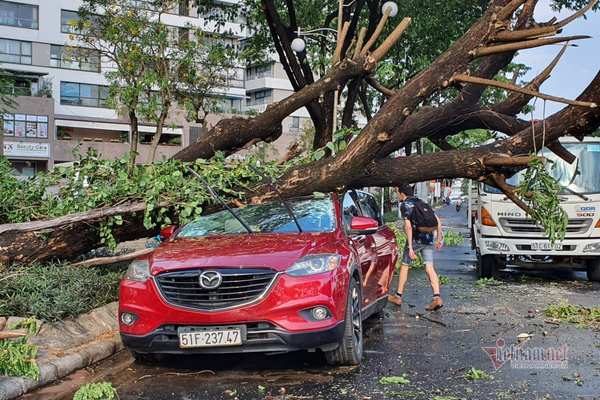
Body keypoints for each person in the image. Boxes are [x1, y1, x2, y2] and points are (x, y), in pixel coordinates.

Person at [388, 184, 444, 311]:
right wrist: (438, 239)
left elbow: (408, 227)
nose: (397, 195)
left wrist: (410, 247)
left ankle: (398, 296)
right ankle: (437, 297)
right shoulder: (422, 202)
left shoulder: (405, 205)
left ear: (402, 193)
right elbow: (438, 221)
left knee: (405, 265)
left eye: (398, 193)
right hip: (429, 238)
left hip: (415, 239)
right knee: (429, 266)